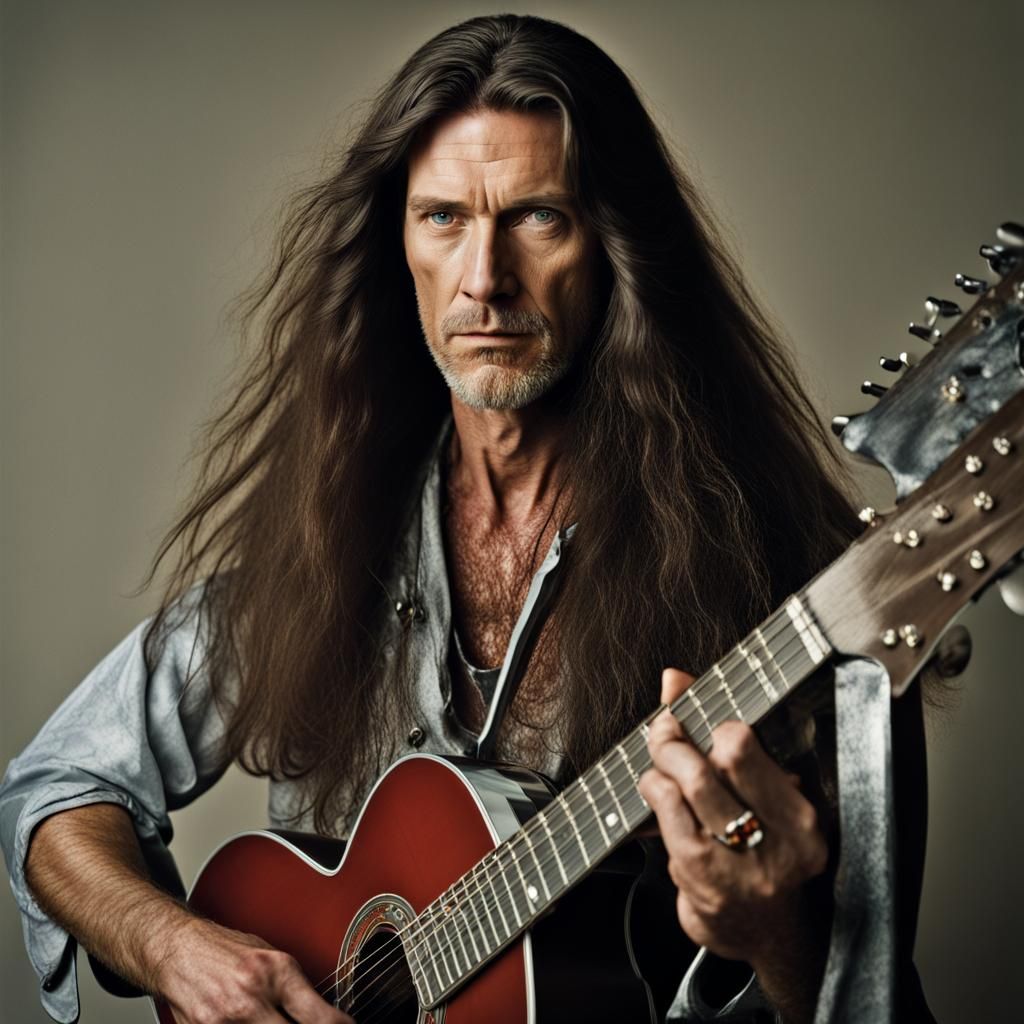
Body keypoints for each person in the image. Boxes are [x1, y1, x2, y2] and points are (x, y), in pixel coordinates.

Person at [0, 13, 933, 1024]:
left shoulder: (793, 586)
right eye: (443, 218)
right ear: (396, 244)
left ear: (616, 251)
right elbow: (54, 785)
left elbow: (875, 1007)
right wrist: (172, 944)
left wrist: (779, 940)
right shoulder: (330, 544)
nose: (484, 280)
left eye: (537, 217)